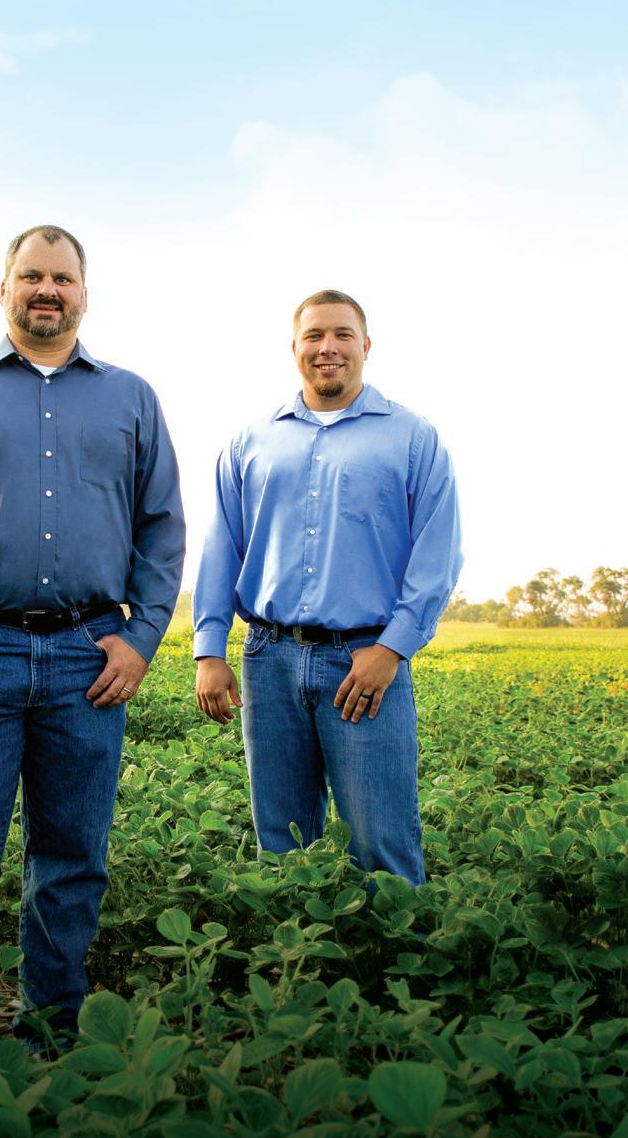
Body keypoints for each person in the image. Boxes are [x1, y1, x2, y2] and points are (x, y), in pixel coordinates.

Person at [0, 224, 185, 1045]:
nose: (45, 289)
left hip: (90, 656)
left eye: (60, 277)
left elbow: (161, 530)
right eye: (30, 276)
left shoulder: (131, 398)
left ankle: (49, 1032)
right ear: (4, 289)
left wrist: (141, 637)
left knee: (71, 852)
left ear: (83, 292)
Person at [192, 290, 461, 885]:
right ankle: (297, 943)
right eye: (314, 335)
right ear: (294, 347)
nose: (327, 348)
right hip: (269, 657)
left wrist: (391, 649)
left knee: (382, 840)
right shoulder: (250, 442)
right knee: (281, 840)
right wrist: (209, 649)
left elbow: (438, 555)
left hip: (364, 660)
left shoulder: (413, 438)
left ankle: (395, 942)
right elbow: (221, 546)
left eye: (342, 334)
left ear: (366, 346)